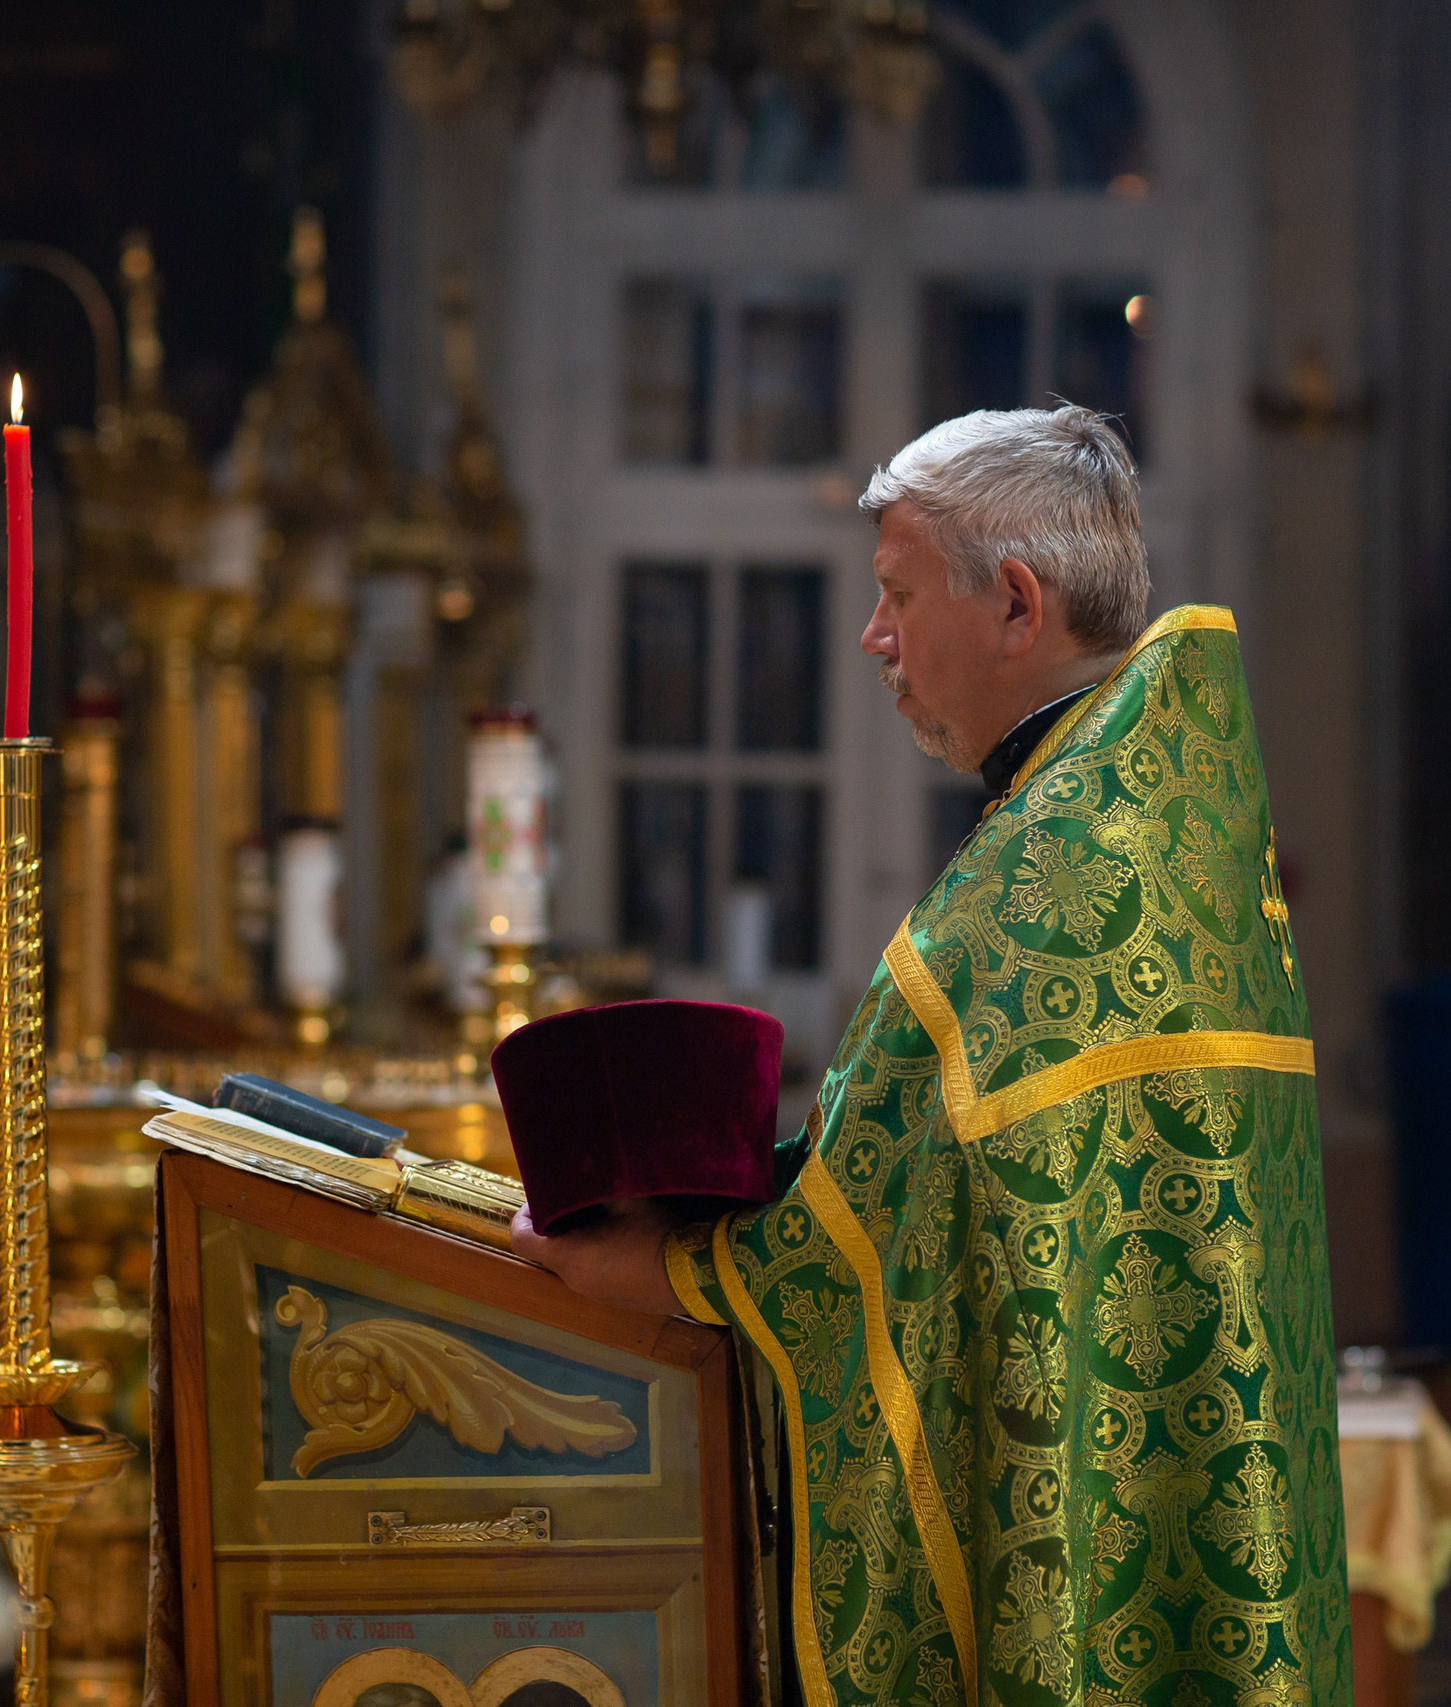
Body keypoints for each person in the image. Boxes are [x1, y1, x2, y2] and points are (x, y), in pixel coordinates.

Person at [513, 407, 1350, 1706]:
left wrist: (661, 1263)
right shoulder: (1154, 820)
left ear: (1017, 602)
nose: (875, 637)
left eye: (898, 595)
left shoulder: (1047, 875)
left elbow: (864, 1236)